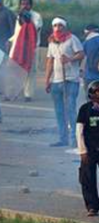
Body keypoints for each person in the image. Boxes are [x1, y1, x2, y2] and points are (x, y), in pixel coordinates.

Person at [45, 17, 84, 147]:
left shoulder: (72, 39)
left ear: (65, 27)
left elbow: (81, 54)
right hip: (56, 80)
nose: (58, 28)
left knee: (71, 110)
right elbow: (50, 62)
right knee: (59, 111)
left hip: (71, 80)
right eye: (55, 25)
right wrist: (47, 80)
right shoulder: (52, 42)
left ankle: (75, 139)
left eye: (60, 25)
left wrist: (70, 59)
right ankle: (63, 139)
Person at [9, 0, 43, 102]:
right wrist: (10, 40)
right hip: (18, 46)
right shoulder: (19, 16)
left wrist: (27, 19)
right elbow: (17, 32)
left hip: (31, 48)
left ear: (31, 5)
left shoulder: (36, 16)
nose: (24, 6)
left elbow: (36, 28)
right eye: (22, 4)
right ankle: (13, 92)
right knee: (14, 69)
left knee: (30, 71)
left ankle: (28, 94)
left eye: (27, 4)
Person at [76, 81, 99, 217]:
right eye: (97, 92)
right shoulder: (85, 109)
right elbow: (79, 131)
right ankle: (92, 206)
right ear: (92, 93)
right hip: (89, 150)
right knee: (88, 178)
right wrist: (82, 150)